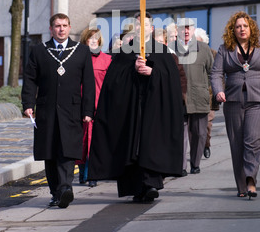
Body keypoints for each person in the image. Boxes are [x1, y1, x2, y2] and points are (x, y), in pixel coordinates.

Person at [88, 11, 184, 202]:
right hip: (130, 109)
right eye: (138, 25)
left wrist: (152, 72)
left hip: (154, 109)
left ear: (152, 28)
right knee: (131, 144)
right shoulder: (124, 52)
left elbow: (172, 81)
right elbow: (113, 82)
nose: (142, 28)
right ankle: (135, 187)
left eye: (146, 25)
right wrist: (131, 70)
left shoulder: (162, 52)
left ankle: (150, 184)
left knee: (150, 143)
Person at [22, 13, 96, 208]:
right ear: (51, 29)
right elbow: (30, 79)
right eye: (57, 26)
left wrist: (88, 110)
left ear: (70, 28)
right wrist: (28, 104)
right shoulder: (39, 51)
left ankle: (65, 189)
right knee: (50, 152)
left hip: (72, 110)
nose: (61, 29)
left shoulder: (81, 51)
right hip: (46, 110)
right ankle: (56, 192)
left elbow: (88, 84)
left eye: (64, 25)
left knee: (68, 151)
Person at [210, 11, 260, 199]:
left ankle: (251, 179)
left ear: (251, 28)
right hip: (233, 101)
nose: (242, 29)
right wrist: (218, 90)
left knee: (252, 141)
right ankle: (241, 186)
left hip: (259, 102)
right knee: (236, 145)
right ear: (232, 30)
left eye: (245, 25)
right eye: (238, 27)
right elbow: (216, 73)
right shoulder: (224, 49)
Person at [172, 18, 213, 174]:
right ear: (178, 31)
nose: (186, 31)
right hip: (179, 98)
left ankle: (195, 163)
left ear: (194, 30)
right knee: (180, 134)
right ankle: (181, 166)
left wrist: (204, 87)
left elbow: (212, 71)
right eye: (183, 28)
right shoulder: (171, 49)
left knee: (199, 133)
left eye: (189, 28)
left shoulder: (203, 48)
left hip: (199, 97)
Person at [77, 28, 112, 187]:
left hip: (101, 104)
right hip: (81, 104)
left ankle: (92, 174)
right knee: (82, 140)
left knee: (95, 140)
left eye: (96, 39)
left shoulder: (107, 60)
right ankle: (83, 170)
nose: (93, 41)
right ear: (85, 41)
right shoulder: (80, 59)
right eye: (90, 38)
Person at [153, 27, 188, 175]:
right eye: (156, 42)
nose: (159, 45)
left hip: (169, 102)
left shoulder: (172, 58)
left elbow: (181, 80)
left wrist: (179, 99)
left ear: (166, 43)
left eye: (162, 42)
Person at [195, 27, 220, 159]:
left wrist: (219, 92)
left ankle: (206, 144)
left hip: (209, 96)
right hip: (193, 96)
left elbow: (218, 75)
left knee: (207, 125)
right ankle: (196, 150)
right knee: (195, 128)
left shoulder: (214, 54)